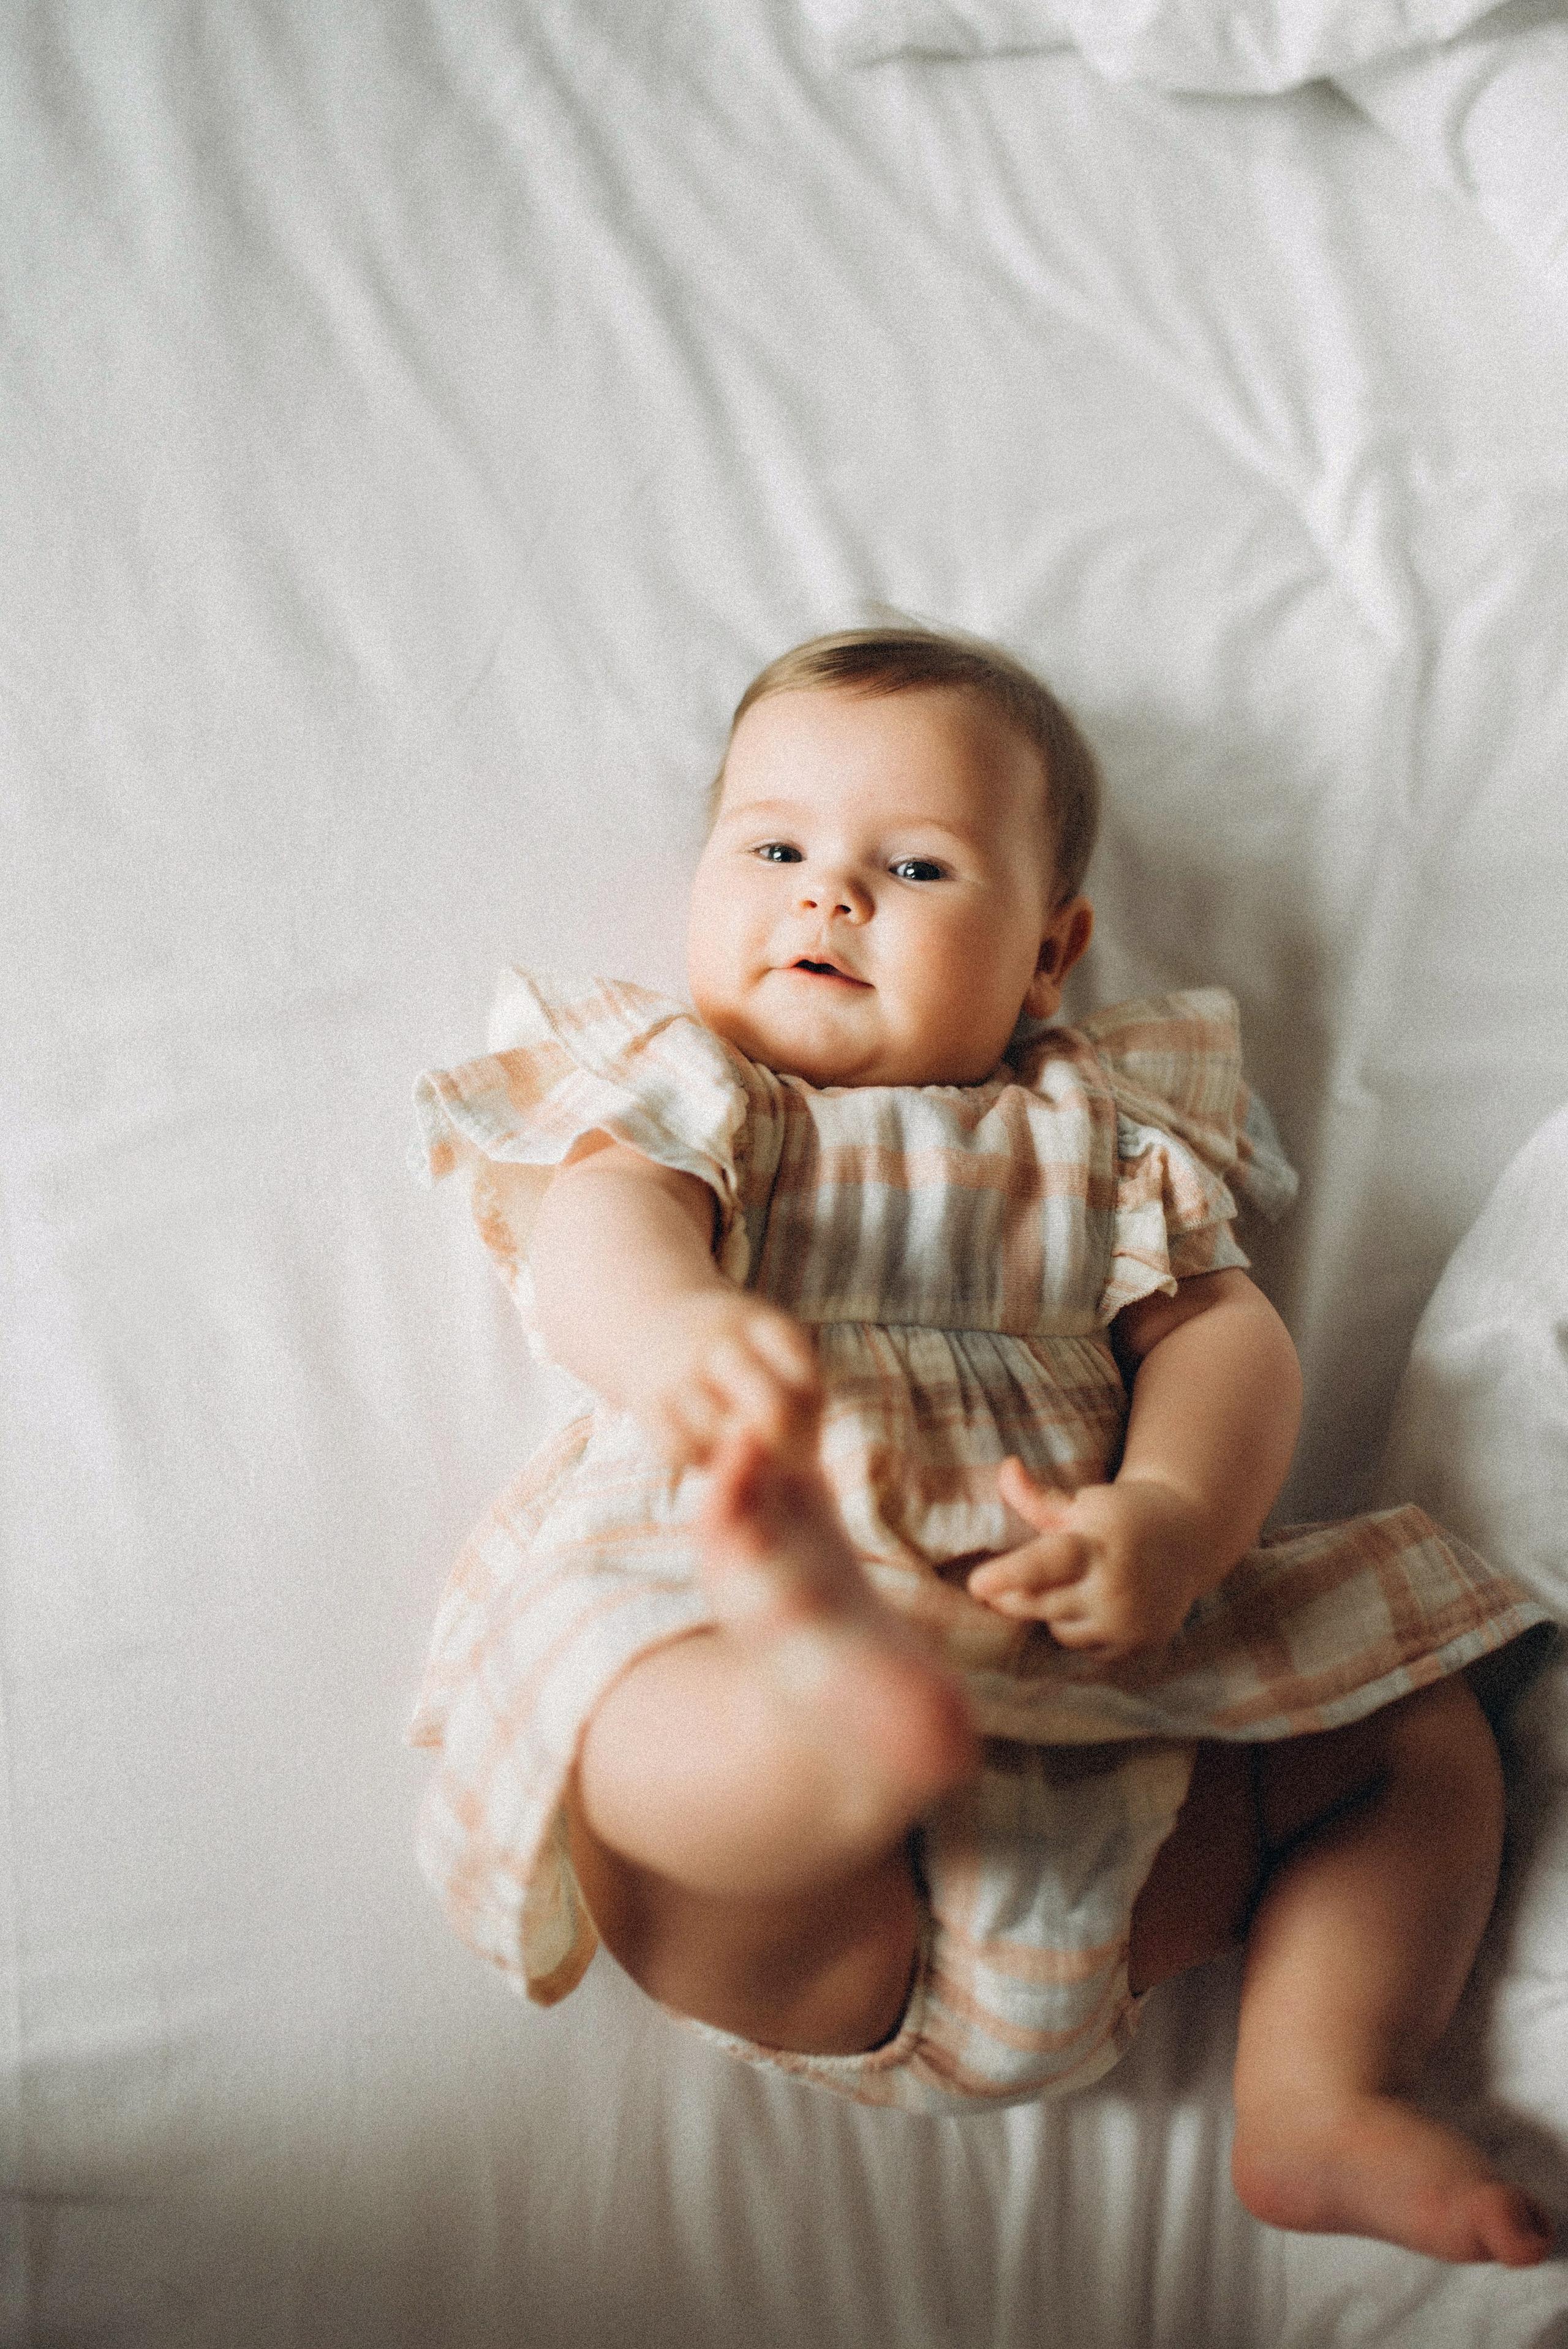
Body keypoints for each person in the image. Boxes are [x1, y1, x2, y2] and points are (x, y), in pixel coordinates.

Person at [410, 626, 1555, 2266]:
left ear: (1047, 953)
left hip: (1107, 1713)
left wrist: (1169, 1516)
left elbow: (1224, 1340)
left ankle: (1319, 2085)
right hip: (762, 1696)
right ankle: (827, 1701)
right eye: (778, 847)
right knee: (636, 1721)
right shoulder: (699, 1091)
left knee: (1419, 1741)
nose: (830, 895)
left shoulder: (1104, 1133)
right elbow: (599, 1233)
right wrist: (679, 1333)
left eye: (917, 864)